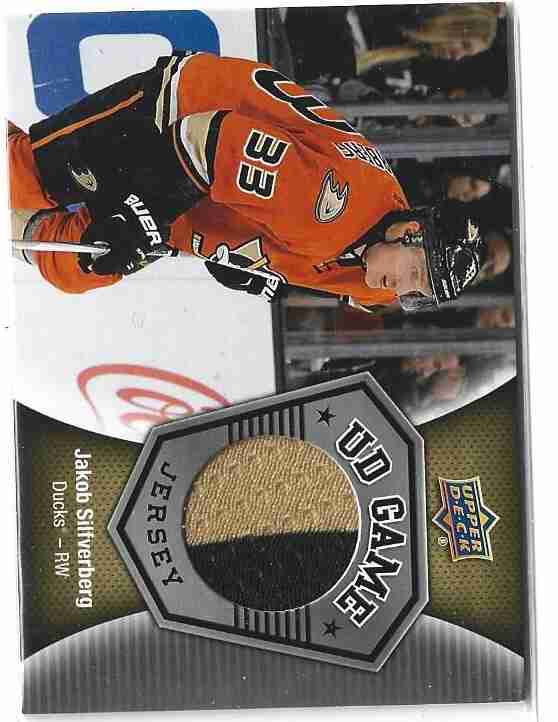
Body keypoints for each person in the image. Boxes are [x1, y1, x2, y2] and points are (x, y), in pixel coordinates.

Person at [10, 50, 485, 313]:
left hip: (206, 189)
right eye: (415, 275)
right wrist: (141, 216)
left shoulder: (380, 277)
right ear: (409, 232)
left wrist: (260, 270)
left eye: (418, 294)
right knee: (25, 178)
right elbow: (205, 140)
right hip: (180, 109)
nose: (402, 290)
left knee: (77, 263)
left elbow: (321, 276)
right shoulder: (329, 206)